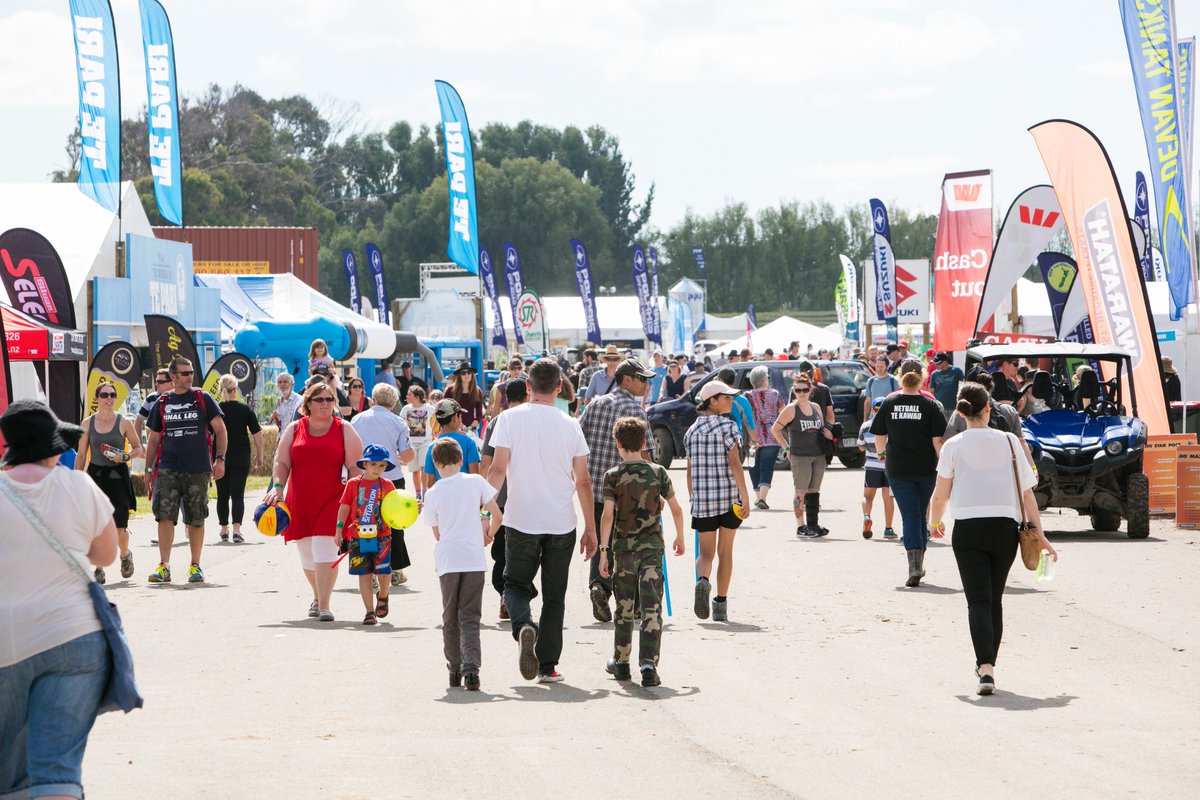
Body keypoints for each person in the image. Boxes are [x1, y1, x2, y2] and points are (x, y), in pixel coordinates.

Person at [0, 401, 119, 800]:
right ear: (52, 447)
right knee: (57, 770)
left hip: (5, 643)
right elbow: (105, 555)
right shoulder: (78, 486)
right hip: (73, 636)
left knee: (9, 775)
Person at [929, 382, 1057, 696]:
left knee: (977, 600)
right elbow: (1027, 494)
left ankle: (984, 669)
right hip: (1004, 527)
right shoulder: (1011, 442)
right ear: (989, 408)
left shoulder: (953, 446)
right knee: (995, 599)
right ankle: (990, 666)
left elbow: (941, 494)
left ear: (961, 412)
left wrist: (934, 522)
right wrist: (1041, 536)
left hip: (968, 528)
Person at [486, 359, 595, 683]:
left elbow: (498, 470)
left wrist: (485, 512)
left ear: (528, 386)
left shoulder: (508, 419)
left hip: (520, 520)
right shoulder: (570, 424)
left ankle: (523, 627)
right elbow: (584, 480)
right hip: (561, 522)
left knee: (515, 584)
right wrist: (590, 527)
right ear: (560, 388)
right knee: (555, 597)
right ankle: (548, 666)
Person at [598, 417, 686, 687]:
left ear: (618, 444)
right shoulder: (658, 472)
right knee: (651, 608)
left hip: (624, 550)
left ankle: (621, 662)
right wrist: (680, 537)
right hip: (652, 550)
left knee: (624, 608)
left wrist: (603, 552)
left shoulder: (612, 476)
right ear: (644, 443)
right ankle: (649, 666)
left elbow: (607, 515)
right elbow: (676, 508)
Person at [271, 382, 364, 622]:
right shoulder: (294, 428)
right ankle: (316, 595)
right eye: (319, 400)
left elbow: (355, 467)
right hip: (300, 500)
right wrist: (278, 489)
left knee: (325, 550)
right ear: (308, 404)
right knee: (307, 556)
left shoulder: (344, 428)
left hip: (333, 499)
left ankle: (324, 605)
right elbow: (281, 462)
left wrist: (356, 499)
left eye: (329, 400)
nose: (325, 404)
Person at [420, 437, 503, 692]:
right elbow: (497, 515)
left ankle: (454, 669)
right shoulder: (476, 482)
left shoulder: (433, 493)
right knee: (470, 616)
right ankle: (472, 671)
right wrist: (488, 534)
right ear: (461, 460)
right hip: (473, 558)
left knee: (450, 616)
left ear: (435, 463)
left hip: (448, 560)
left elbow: (437, 533)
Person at [579, 358, 655, 622]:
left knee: (603, 542)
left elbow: (578, 442)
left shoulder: (596, 404)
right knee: (629, 547)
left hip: (596, 488)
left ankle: (599, 586)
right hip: (629, 492)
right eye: (642, 379)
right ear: (626, 380)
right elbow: (647, 456)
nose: (647, 385)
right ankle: (630, 602)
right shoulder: (636, 412)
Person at [145, 356, 228, 585]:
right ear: (173, 376)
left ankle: (195, 565)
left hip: (198, 469)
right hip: (168, 468)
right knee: (164, 516)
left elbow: (220, 430)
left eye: (191, 372)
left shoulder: (203, 398)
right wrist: (148, 469)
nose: (190, 376)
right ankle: (164, 566)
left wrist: (219, 459)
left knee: (196, 518)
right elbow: (153, 439)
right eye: (185, 373)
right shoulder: (162, 403)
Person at [870, 367, 946, 587]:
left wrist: (882, 454)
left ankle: (914, 564)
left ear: (901, 381)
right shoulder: (930, 405)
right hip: (926, 469)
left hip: (898, 469)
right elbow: (937, 442)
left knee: (911, 516)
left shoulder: (889, 403)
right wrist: (946, 465)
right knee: (919, 514)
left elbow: (879, 436)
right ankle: (918, 562)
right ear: (922, 381)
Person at [685, 381, 751, 622]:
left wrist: (694, 496)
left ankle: (703, 580)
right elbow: (735, 463)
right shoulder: (728, 426)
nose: (731, 401)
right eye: (727, 398)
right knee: (726, 551)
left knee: (705, 553)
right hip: (728, 497)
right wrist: (744, 496)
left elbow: (690, 471)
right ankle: (720, 604)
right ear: (712, 401)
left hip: (703, 500)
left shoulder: (691, 431)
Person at [76, 379, 143, 583]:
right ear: (96, 399)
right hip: (96, 477)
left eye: (112, 395)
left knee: (119, 525)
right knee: (97, 523)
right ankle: (98, 567)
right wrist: (75, 480)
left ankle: (124, 555)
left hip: (118, 477)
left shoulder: (124, 422)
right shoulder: (87, 423)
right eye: (104, 395)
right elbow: (80, 455)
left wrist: (124, 457)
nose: (108, 399)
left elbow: (138, 449)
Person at [351, 383, 416, 586]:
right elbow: (407, 454)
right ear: (394, 402)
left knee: (365, 521)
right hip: (391, 477)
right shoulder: (398, 422)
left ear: (373, 399)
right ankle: (394, 568)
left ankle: (366, 569)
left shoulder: (357, 419)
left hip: (364, 477)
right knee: (394, 523)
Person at [335, 444, 399, 626]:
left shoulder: (388, 485)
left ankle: (384, 596)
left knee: (384, 572)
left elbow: (396, 508)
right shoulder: (353, 484)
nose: (378, 469)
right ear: (365, 465)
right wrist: (339, 529)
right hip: (358, 538)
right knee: (364, 574)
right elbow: (344, 507)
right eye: (374, 464)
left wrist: (411, 509)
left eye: (382, 466)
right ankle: (369, 611)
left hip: (383, 536)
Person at [481, 378, 528, 620]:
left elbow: (487, 462)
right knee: (522, 550)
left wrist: (482, 500)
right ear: (528, 394)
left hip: (499, 499)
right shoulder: (533, 420)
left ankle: (505, 594)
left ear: (507, 398)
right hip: (526, 498)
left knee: (501, 551)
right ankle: (514, 596)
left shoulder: (498, 422)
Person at [772, 373, 834, 537]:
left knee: (814, 491)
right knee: (801, 491)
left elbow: (821, 429)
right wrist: (786, 449)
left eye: (805, 389)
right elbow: (775, 429)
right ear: (794, 391)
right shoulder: (791, 409)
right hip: (800, 456)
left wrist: (828, 434)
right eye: (797, 390)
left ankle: (813, 525)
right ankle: (801, 527)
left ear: (810, 389)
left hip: (818, 455)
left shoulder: (816, 407)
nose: (801, 393)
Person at [214, 374, 264, 544]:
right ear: (235, 390)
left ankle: (223, 529)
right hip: (241, 455)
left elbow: (207, 434)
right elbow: (257, 433)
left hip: (220, 455)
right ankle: (236, 530)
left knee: (222, 494)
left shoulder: (216, 409)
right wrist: (260, 454)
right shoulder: (245, 409)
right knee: (237, 494)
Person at [746, 366, 785, 509]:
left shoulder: (747, 396)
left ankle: (759, 498)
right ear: (763, 380)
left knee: (753, 468)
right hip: (772, 438)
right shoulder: (775, 394)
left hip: (753, 439)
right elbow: (782, 411)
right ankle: (761, 498)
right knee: (766, 468)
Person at [858, 397, 896, 540]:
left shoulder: (865, 426)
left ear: (873, 410)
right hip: (888, 466)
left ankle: (867, 516)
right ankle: (888, 529)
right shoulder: (891, 425)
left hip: (872, 466)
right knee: (888, 499)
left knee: (867, 496)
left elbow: (861, 446)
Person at [422, 399, 481, 490]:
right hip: (465, 496)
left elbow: (430, 484)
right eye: (460, 416)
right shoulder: (469, 442)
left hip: (442, 498)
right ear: (454, 418)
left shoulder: (432, 446)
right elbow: (475, 476)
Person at [399, 386, 435, 502]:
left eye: (409, 394)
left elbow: (438, 416)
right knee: (415, 470)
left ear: (417, 396)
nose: (406, 396)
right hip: (411, 443)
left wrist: (433, 429)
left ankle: (425, 491)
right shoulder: (405, 409)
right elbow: (401, 422)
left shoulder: (428, 408)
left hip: (425, 442)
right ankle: (418, 493)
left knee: (424, 467)